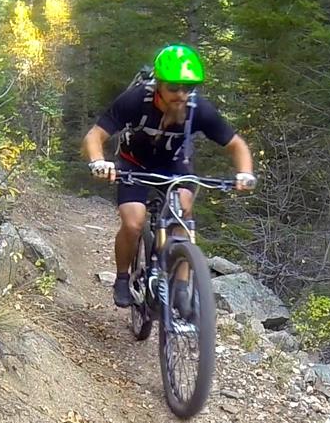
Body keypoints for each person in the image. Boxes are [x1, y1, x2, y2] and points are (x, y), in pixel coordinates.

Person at [83, 43, 256, 308]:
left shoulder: (199, 110)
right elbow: (95, 136)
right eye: (173, 87)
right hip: (134, 163)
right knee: (133, 222)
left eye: (188, 88)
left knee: (182, 213)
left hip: (174, 165)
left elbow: (237, 145)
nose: (181, 94)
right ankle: (121, 277)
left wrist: (245, 173)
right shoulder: (135, 100)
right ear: (158, 85)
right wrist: (99, 162)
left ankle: (182, 287)